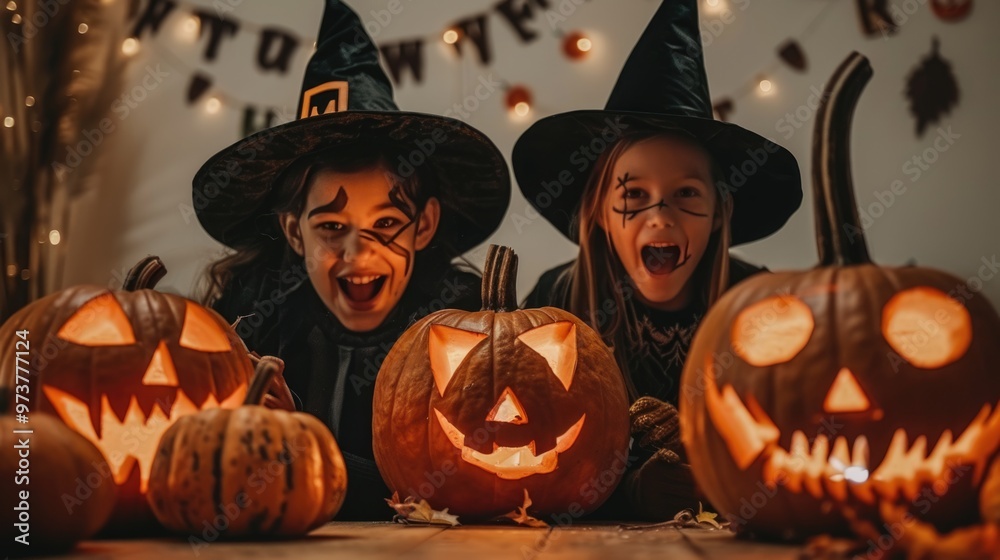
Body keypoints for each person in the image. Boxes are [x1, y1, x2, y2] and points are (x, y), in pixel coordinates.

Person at [192, 0, 510, 520]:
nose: (357, 254)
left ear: (424, 226)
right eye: (332, 229)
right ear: (294, 232)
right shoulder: (250, 322)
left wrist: (301, 445)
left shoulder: (474, 334)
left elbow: (468, 482)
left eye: (386, 225)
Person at [513, 0, 802, 520]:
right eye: (633, 194)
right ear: (600, 212)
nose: (660, 217)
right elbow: (528, 443)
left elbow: (792, 441)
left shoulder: (756, 308)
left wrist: (700, 455)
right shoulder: (558, 305)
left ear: (719, 212)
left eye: (686, 194)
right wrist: (625, 487)